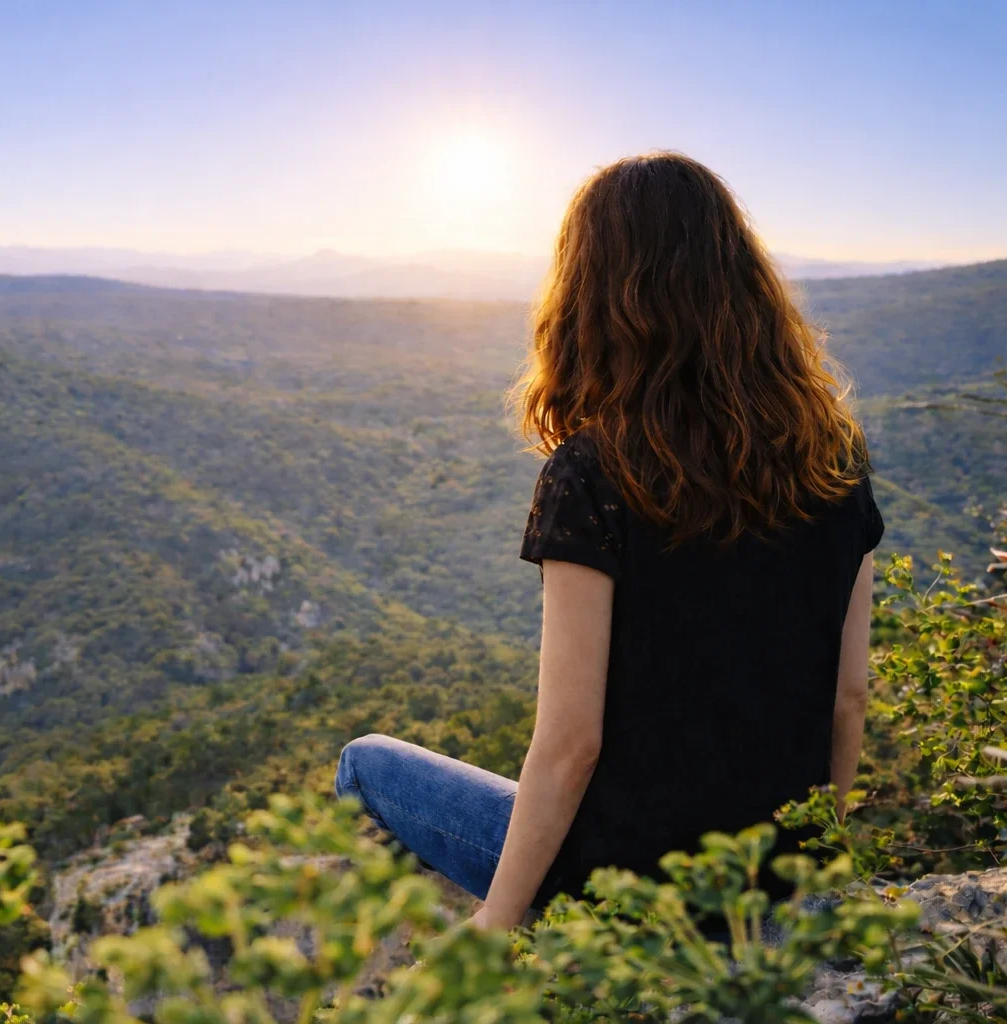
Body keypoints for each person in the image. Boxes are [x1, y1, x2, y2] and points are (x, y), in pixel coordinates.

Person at [334, 151, 884, 930]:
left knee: (366, 763)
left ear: (591, 296)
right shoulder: (833, 454)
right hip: (774, 883)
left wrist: (495, 926)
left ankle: (482, 944)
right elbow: (849, 696)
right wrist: (809, 876)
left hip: (628, 893)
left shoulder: (595, 472)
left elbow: (570, 746)